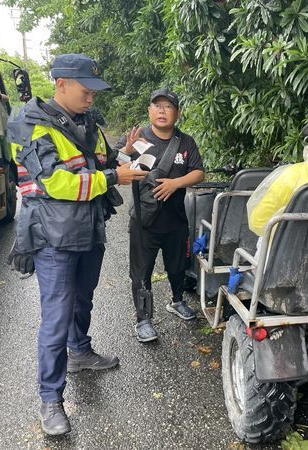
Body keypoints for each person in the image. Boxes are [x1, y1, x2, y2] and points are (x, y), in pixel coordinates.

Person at [6, 54, 147, 436]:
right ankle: (51, 399)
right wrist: (113, 177)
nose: (91, 99)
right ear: (61, 84)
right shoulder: (33, 127)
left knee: (83, 297)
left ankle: (81, 352)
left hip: (88, 229)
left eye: (94, 92)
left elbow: (103, 159)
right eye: (86, 91)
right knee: (55, 317)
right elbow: (58, 183)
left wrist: (127, 153)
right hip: (53, 236)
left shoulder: (87, 122)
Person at [113, 88, 205, 343]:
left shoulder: (185, 142)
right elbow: (117, 172)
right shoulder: (137, 138)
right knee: (142, 270)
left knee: (177, 267)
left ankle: (177, 301)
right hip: (145, 219)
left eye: (168, 106)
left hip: (176, 219)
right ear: (149, 111)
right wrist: (126, 152)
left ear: (177, 113)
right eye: (157, 106)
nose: (162, 111)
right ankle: (143, 319)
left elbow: (198, 172)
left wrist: (176, 184)